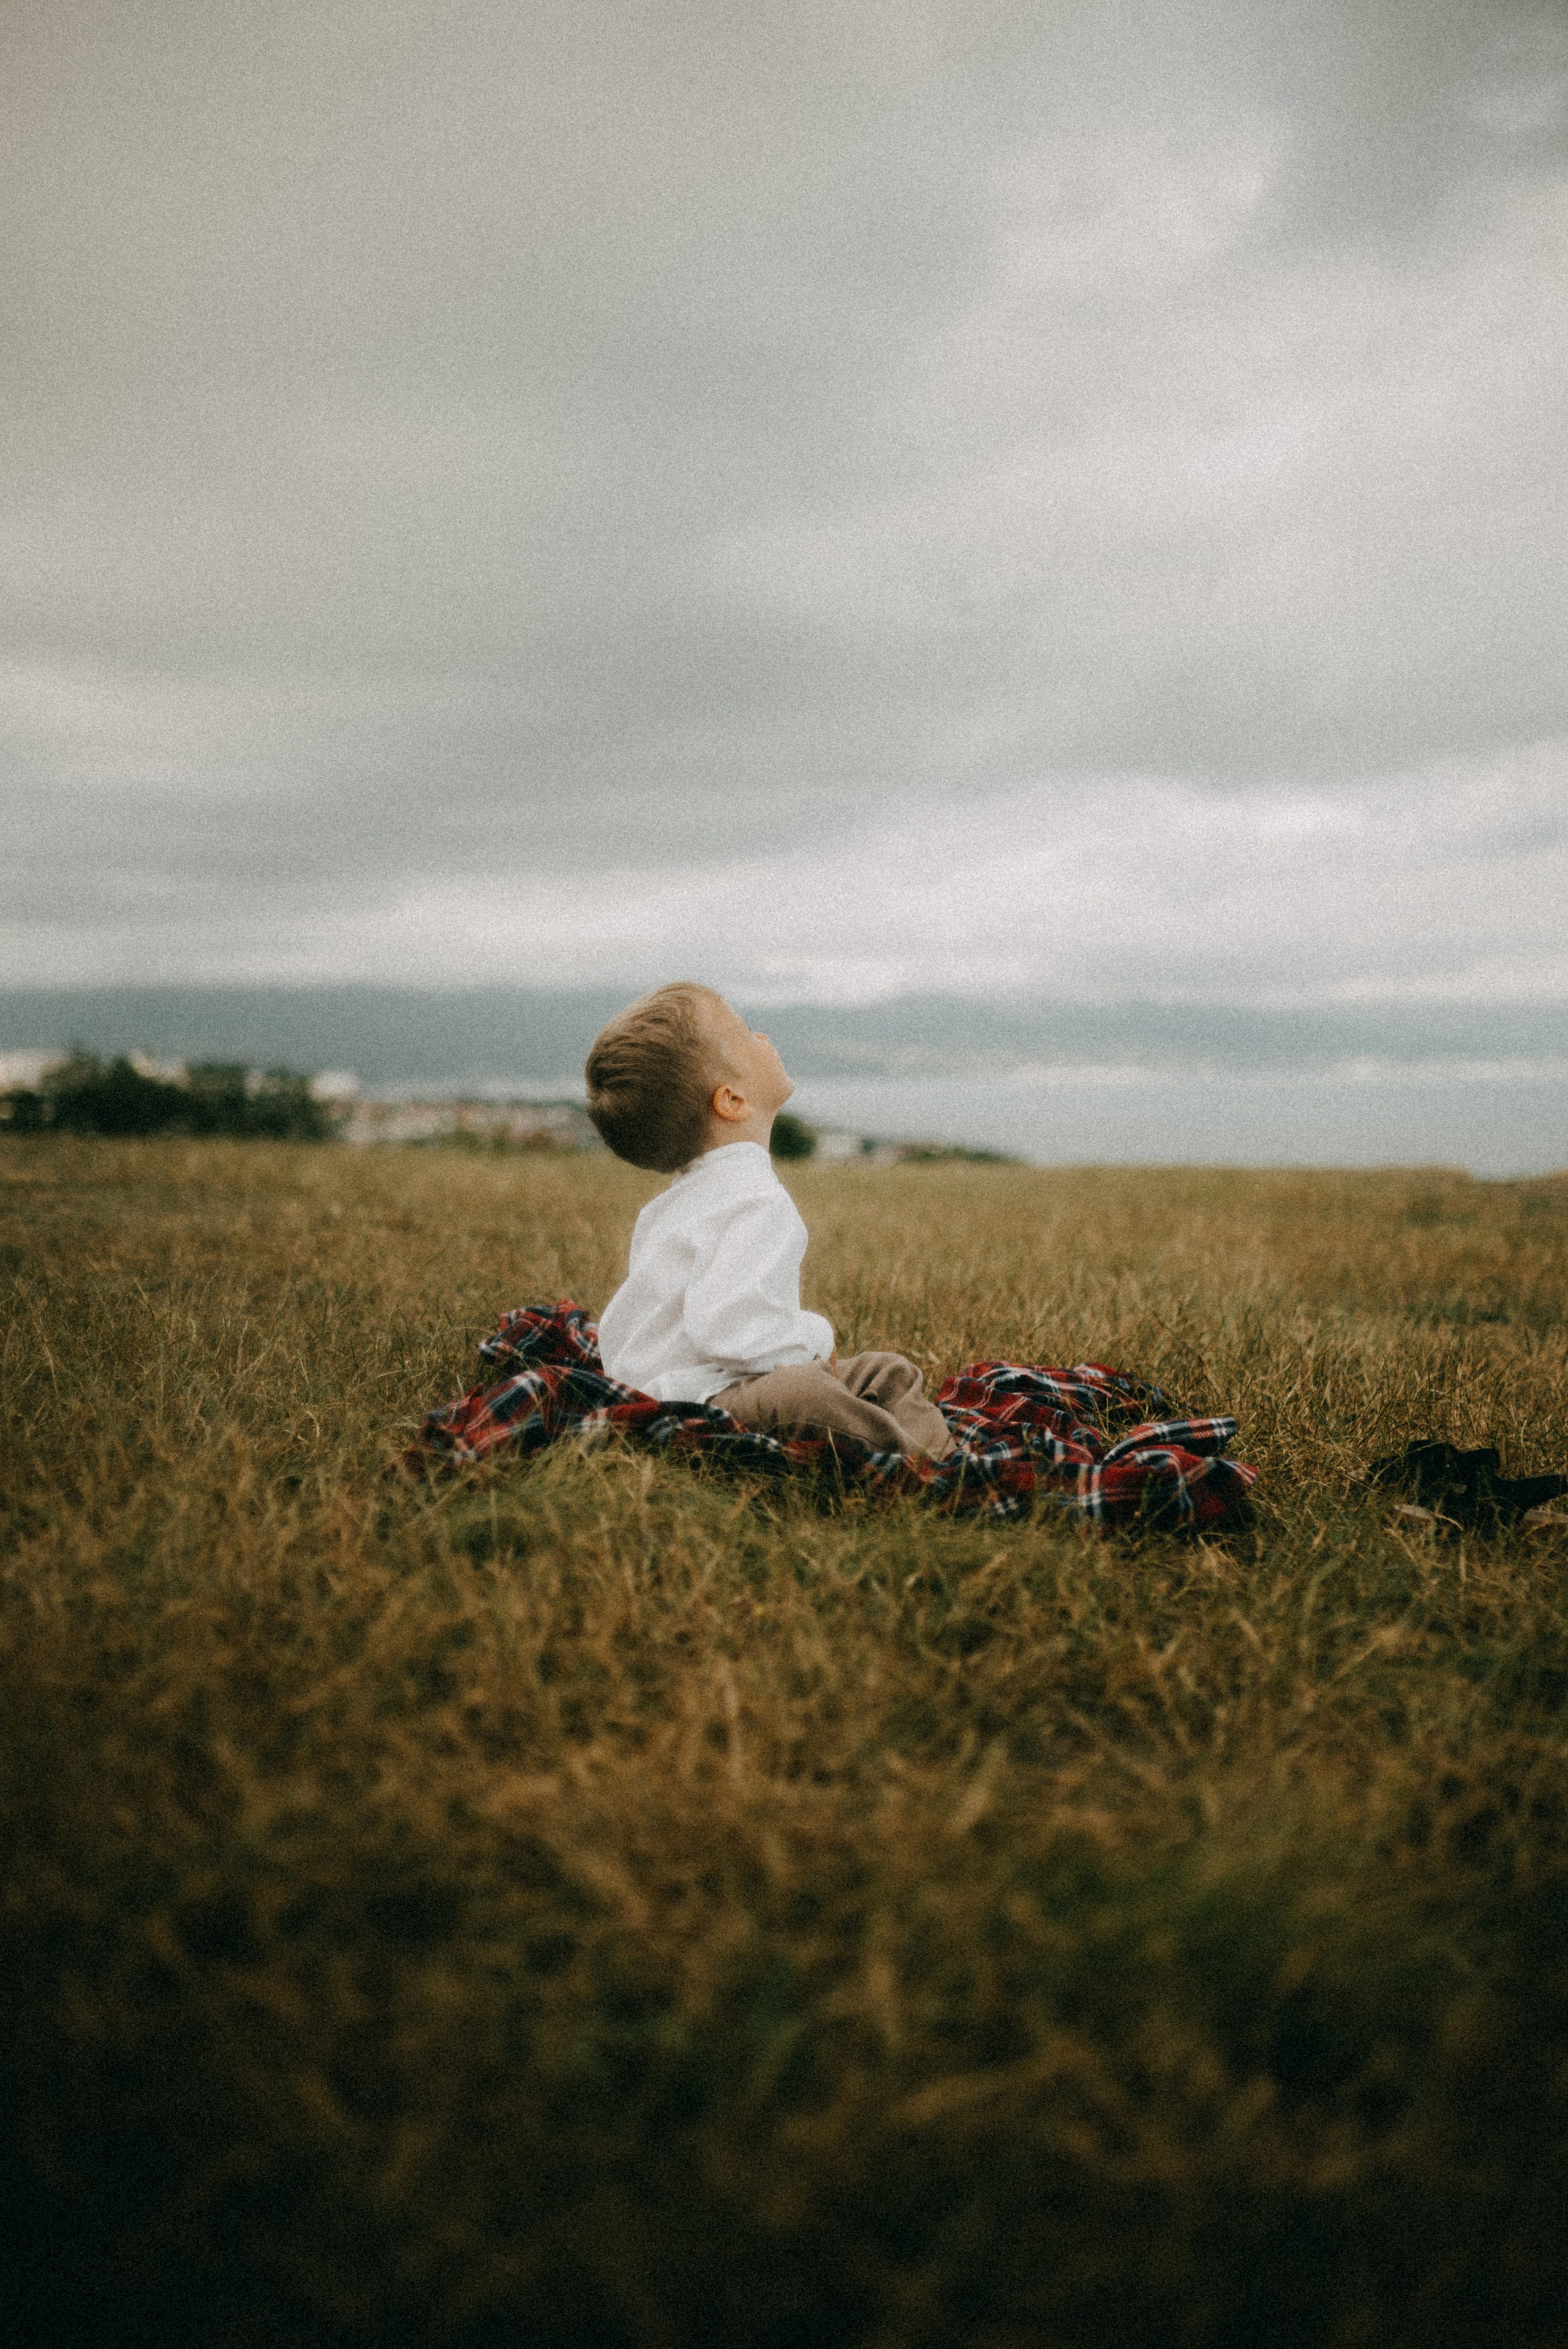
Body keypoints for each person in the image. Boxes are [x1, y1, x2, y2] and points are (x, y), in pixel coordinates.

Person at [586, 983, 954, 1461]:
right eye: (743, 1033)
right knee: (809, 1397)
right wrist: (814, 1338)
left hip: (670, 1388)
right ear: (732, 1100)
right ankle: (928, 1468)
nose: (761, 1035)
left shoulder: (679, 1201)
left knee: (886, 1371)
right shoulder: (754, 1199)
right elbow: (733, 1333)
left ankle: (942, 1453)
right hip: (703, 1403)